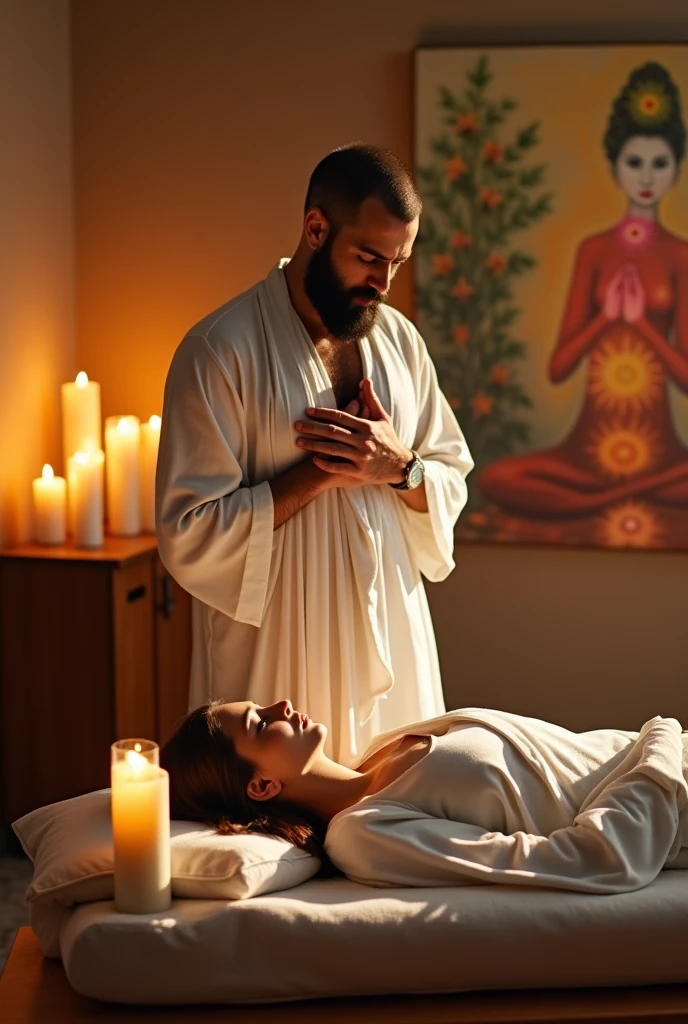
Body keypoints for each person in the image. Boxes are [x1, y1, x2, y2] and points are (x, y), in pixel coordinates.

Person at [156, 144, 473, 767]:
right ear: (316, 228)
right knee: (280, 831)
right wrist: (317, 474)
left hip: (392, 623)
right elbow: (187, 532)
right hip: (277, 647)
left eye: (398, 262)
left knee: (398, 820)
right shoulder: (220, 350)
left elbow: (449, 473)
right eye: (369, 258)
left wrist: (398, 468)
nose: (383, 283)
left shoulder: (400, 340)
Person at [161, 697, 688, 894]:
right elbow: (592, 859)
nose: (280, 704)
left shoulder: (384, 748)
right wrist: (659, 749)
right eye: (259, 722)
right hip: (672, 793)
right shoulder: (362, 833)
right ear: (261, 786)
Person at [480, 63, 688, 544]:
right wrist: (607, 321)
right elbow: (559, 366)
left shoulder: (679, 256)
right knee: (499, 480)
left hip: (663, 454)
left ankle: (636, 487)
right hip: (585, 457)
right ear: (615, 167)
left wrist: (645, 327)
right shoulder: (593, 250)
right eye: (635, 163)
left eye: (660, 163)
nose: (647, 177)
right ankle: (619, 494)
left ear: (676, 169)